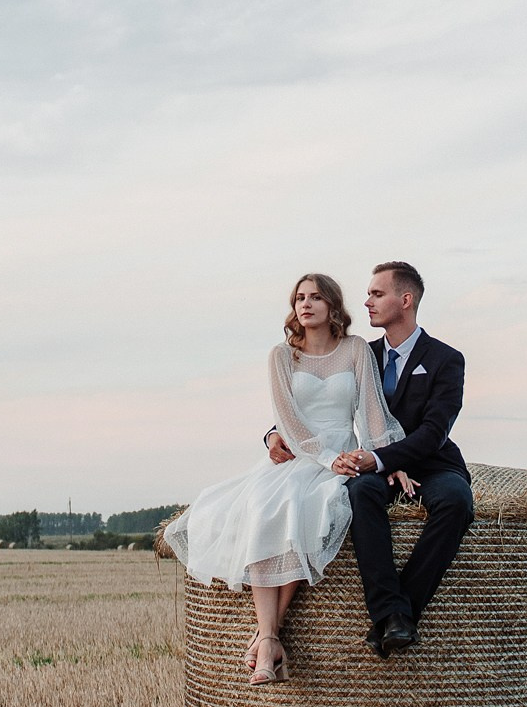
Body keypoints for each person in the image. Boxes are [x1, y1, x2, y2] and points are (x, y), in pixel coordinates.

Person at [163, 273, 401, 683]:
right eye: (299, 298)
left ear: (333, 306)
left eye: (315, 297)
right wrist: (326, 458)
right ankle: (270, 638)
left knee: (302, 510)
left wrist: (386, 458)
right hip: (301, 454)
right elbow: (287, 420)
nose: (305, 304)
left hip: (342, 454)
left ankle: (266, 638)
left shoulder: (356, 349)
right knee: (263, 508)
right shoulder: (281, 356)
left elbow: (372, 411)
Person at [327, 260, 473, 657]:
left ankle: (396, 614)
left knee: (457, 501)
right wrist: (275, 432)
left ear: (405, 300)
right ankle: (393, 615)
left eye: (377, 294)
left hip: (434, 464)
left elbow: (433, 431)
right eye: (369, 294)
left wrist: (380, 458)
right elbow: (320, 398)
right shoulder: (361, 354)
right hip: (377, 467)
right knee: (360, 494)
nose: (367, 302)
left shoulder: (446, 359)